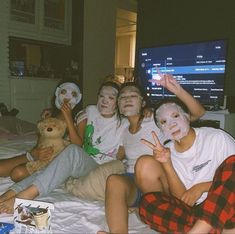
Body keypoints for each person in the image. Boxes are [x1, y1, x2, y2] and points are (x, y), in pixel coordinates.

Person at [97, 73, 205, 234]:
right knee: (113, 180)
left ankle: (161, 214)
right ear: (118, 105)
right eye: (122, 97)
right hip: (134, 182)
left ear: (143, 102)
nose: (126, 99)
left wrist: (178, 90)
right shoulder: (122, 130)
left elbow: (198, 114)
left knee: (145, 163)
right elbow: (114, 154)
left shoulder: (155, 119)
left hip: (160, 180)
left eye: (133, 95)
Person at [0, 80, 128, 214]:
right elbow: (68, 110)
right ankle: (8, 194)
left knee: (72, 150)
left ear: (118, 101)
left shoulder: (123, 123)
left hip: (100, 168)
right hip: (83, 163)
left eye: (111, 98)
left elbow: (120, 154)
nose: (104, 101)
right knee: (48, 168)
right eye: (101, 96)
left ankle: (24, 196)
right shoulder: (91, 110)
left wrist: (146, 111)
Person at [136, 98, 235, 234]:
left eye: (175, 116)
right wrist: (166, 163)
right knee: (147, 202)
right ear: (160, 129)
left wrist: (201, 188)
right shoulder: (166, 152)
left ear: (187, 117)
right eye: (164, 122)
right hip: (195, 213)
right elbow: (182, 200)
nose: (171, 124)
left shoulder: (216, 137)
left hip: (226, 206)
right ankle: (218, 230)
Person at [0, 80, 84, 182]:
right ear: (57, 94)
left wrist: (68, 118)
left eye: (73, 94)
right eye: (63, 92)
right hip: (40, 156)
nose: (67, 96)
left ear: (78, 97)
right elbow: (42, 142)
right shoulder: (52, 115)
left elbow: (78, 147)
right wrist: (35, 153)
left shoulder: (80, 117)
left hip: (60, 162)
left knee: (17, 173)